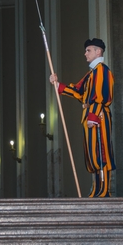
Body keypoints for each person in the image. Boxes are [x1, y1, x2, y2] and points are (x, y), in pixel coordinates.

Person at [49, 38, 115, 197]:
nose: (85, 54)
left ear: (98, 51)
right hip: (90, 117)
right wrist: (58, 84)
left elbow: (102, 95)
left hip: (98, 116)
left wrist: (93, 115)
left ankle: (104, 190)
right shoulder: (91, 73)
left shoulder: (102, 71)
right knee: (93, 155)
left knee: (100, 153)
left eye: (88, 50)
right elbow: (79, 92)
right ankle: (97, 188)